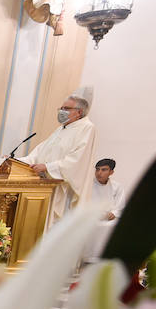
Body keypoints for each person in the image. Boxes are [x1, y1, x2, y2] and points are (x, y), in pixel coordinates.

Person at [20, 86, 98, 228]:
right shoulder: (61, 129)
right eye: (61, 108)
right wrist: (15, 161)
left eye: (66, 108)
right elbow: (39, 153)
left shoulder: (87, 128)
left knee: (53, 227)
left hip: (63, 191)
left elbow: (77, 160)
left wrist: (48, 167)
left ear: (79, 112)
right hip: (45, 188)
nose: (62, 111)